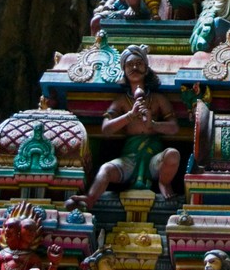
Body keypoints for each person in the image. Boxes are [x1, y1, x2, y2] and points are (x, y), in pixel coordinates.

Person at [73, 45, 182, 206]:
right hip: (129, 158)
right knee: (106, 169)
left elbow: (174, 128)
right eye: (130, 65)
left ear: (146, 68)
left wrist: (153, 124)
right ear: (124, 70)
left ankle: (164, 183)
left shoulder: (158, 99)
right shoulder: (121, 101)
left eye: (139, 63)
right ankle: (90, 198)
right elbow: (106, 129)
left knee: (173, 155)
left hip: (154, 159)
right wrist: (129, 116)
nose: (135, 67)